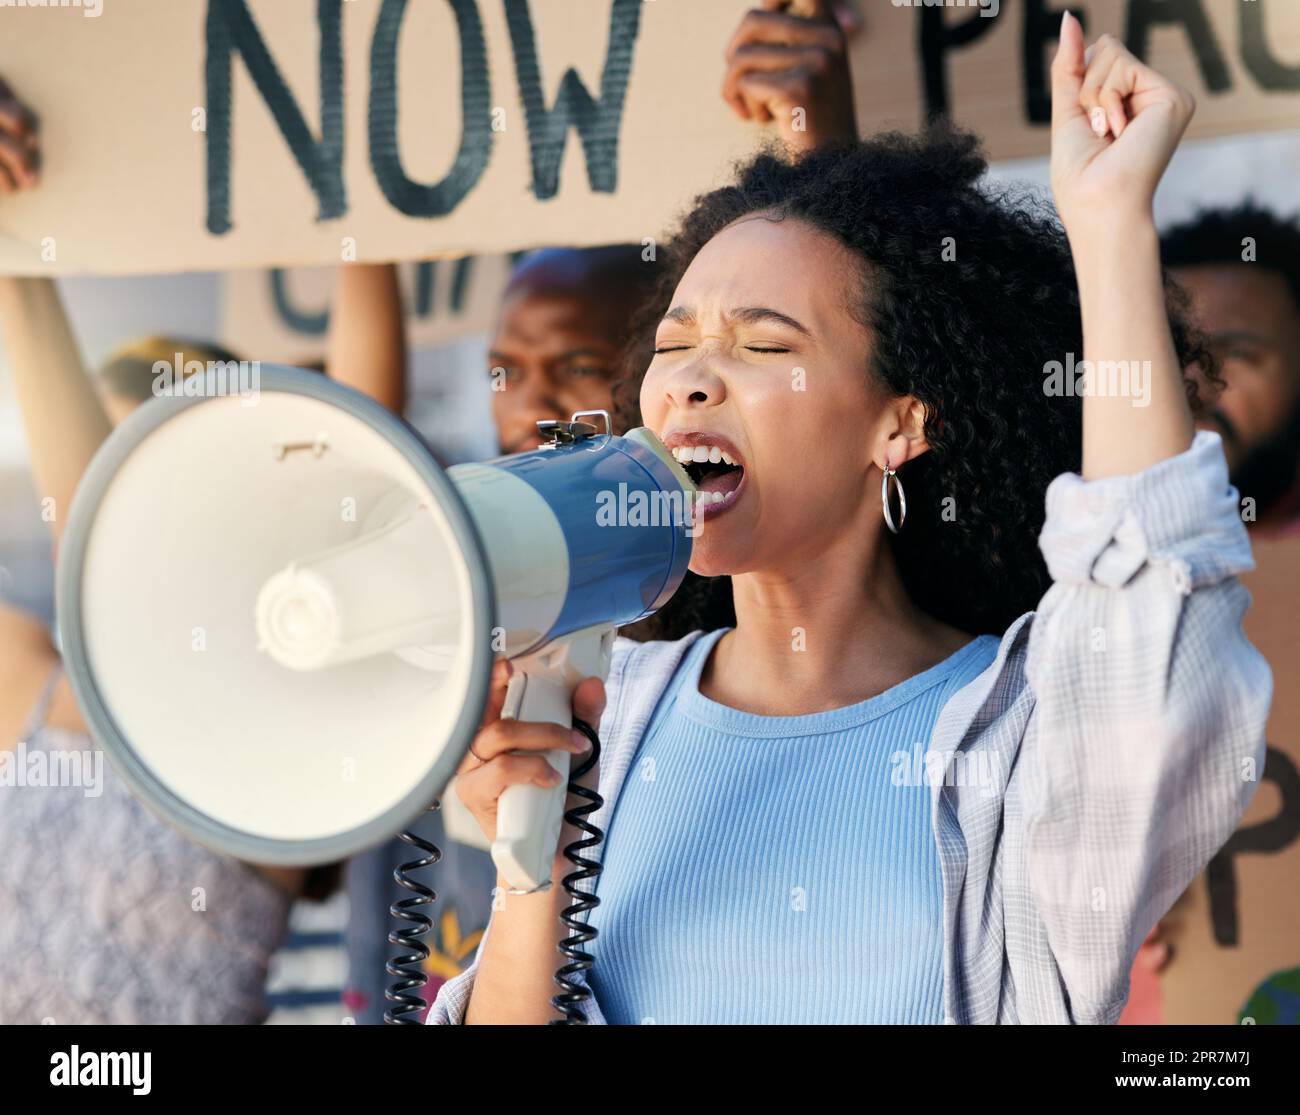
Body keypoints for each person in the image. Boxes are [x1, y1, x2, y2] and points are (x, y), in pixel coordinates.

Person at [427, 16, 1272, 1024]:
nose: (692, 379)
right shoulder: (601, 712)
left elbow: (1149, 604)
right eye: (675, 342)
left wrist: (1107, 226)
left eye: (764, 347)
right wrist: (535, 874)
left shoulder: (1015, 733)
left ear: (901, 421)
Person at [332, 0, 861, 1023]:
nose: (534, 399)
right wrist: (356, 203)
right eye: (510, 367)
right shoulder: (450, 544)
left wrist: (811, 141)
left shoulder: (711, 579)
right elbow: (360, 427)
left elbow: (834, 366)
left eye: (579, 364)